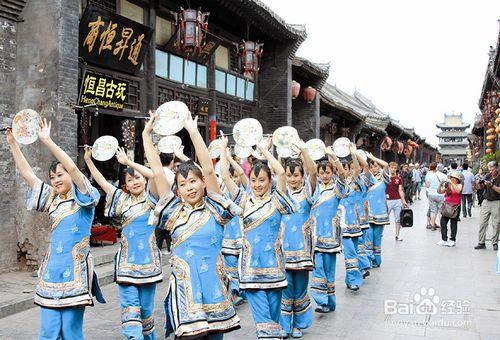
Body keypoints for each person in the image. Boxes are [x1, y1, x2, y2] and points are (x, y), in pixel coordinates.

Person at [5, 120, 104, 339]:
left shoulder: (84, 198)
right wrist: (13, 144)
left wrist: (47, 141)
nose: (56, 180)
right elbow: (28, 174)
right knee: (48, 332)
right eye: (52, 178)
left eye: (60, 175)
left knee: (70, 332)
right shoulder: (52, 199)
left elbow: (71, 167)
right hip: (51, 272)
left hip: (76, 273)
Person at [146, 112, 241, 339]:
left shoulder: (215, 208)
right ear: (176, 190)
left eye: (193, 181)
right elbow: (158, 172)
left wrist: (192, 130)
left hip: (214, 290)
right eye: (183, 184)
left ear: (203, 184)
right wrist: (146, 136)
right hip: (184, 295)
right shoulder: (173, 212)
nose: (189, 187)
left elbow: (208, 168)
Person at [220, 136, 295, 339]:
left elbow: (280, 172)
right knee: (263, 320)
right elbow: (226, 177)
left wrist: (264, 150)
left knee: (273, 316)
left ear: (270, 181)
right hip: (251, 269)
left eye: (262, 180)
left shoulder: (277, 200)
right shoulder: (243, 199)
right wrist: (224, 153)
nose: (257, 184)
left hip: (275, 269)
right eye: (253, 180)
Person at [84, 146, 161, 339]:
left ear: (143, 180)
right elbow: (101, 182)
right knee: (130, 311)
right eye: (130, 179)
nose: (135, 182)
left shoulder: (153, 198)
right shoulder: (121, 199)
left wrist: (128, 163)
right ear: (125, 184)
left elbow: (154, 174)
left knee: (145, 311)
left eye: (137, 178)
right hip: (126, 263)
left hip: (149, 264)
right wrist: (88, 160)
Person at [276, 141, 316, 338]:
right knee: (285, 290)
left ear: (302, 177)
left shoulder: (308, 193)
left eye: (296, 175)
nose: (292, 179)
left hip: (302, 253)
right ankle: (284, 325)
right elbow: (278, 174)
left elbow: (314, 173)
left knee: (299, 290)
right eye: (289, 175)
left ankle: (298, 325)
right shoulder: (281, 194)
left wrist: (304, 151)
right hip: (283, 252)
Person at [309, 148, 346, 313]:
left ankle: (330, 302)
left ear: (332, 173)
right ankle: (321, 301)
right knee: (318, 270)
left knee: (330, 272)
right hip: (315, 238)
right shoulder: (314, 189)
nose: (325, 175)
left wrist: (333, 156)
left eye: (328, 172)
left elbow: (344, 176)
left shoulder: (337, 189)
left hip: (330, 238)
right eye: (322, 173)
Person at [218, 142, 249, 307]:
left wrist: (230, 157)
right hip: (227, 239)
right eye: (233, 177)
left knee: (241, 268)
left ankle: (242, 291)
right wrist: (225, 155)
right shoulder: (222, 192)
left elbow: (243, 175)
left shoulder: (244, 195)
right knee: (230, 269)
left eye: (237, 177)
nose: (235, 179)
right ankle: (234, 292)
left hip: (243, 239)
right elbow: (222, 175)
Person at [338, 145, 365, 291]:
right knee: (351, 254)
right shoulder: (336, 185)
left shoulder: (355, 183)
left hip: (355, 225)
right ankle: (354, 280)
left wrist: (354, 154)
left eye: (346, 168)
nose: (344, 171)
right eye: (340, 169)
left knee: (353, 254)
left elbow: (358, 169)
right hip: (343, 226)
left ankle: (350, 280)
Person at [474, 161, 500, 251]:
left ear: (497, 168)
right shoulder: (487, 176)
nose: (491, 171)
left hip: (497, 202)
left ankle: (495, 242)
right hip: (486, 201)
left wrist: (491, 185)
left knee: (496, 224)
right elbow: (480, 188)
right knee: (482, 223)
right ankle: (481, 242)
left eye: (492, 170)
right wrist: (479, 183)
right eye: (489, 170)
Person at [437, 171, 463, 247]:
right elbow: (439, 191)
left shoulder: (459, 185)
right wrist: (440, 184)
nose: (451, 179)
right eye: (451, 178)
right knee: (443, 222)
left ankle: (452, 240)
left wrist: (451, 183)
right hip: (447, 205)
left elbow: (458, 191)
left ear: (457, 179)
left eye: (453, 178)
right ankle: (444, 239)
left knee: (453, 223)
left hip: (455, 206)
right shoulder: (448, 185)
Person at [386, 162, 409, 241]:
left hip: (397, 201)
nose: (393, 169)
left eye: (395, 168)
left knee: (398, 219)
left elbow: (400, 190)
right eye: (392, 167)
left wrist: (404, 201)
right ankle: (380, 234)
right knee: (384, 218)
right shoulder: (385, 178)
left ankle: (397, 235)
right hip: (387, 200)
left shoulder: (398, 179)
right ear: (389, 168)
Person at [425, 163, 447, 230]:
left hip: (431, 194)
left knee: (433, 210)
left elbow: (427, 185)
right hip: (440, 195)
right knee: (441, 211)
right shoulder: (444, 176)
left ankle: (432, 226)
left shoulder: (431, 175)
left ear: (437, 168)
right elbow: (446, 186)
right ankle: (441, 226)